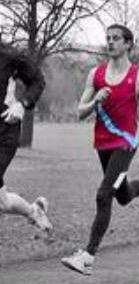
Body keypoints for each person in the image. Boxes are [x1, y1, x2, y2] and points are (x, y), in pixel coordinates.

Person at [61, 24, 139, 275]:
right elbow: (79, 112)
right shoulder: (95, 75)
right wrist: (95, 101)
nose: (110, 42)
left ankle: (87, 257)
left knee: (104, 195)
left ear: (128, 44)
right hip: (103, 144)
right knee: (123, 195)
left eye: (115, 38)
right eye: (108, 38)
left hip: (126, 144)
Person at [0, 45, 51, 234]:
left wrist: (23, 104)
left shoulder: (10, 56)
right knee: (3, 203)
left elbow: (38, 81)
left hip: (5, 129)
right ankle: (34, 211)